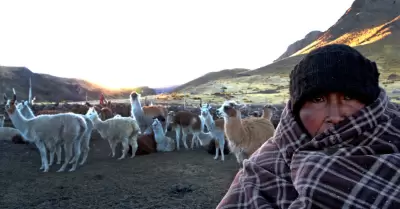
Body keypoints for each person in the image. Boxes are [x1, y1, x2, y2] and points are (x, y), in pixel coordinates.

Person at [216, 44, 400, 209]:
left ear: (373, 104)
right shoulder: (262, 171)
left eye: (349, 97)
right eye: (318, 99)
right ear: (297, 110)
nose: (335, 117)